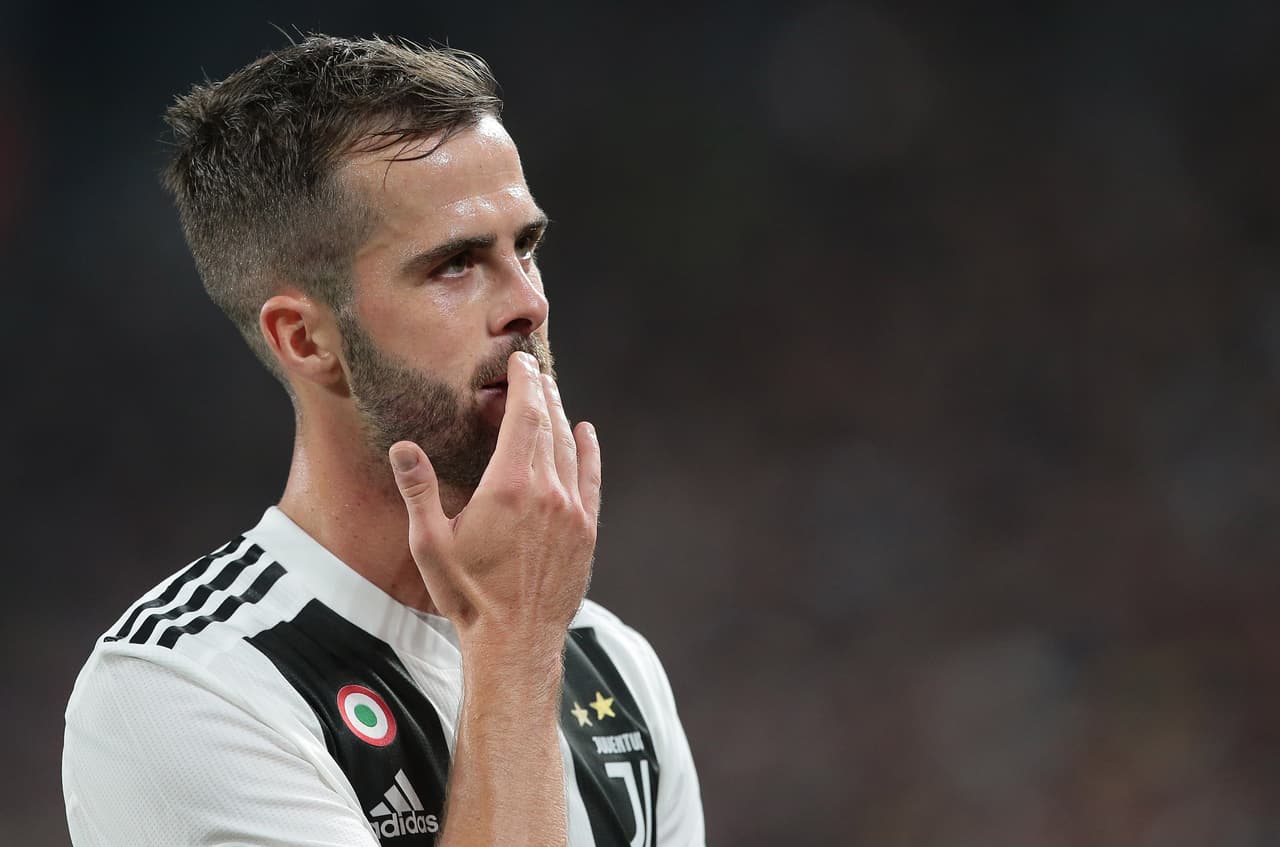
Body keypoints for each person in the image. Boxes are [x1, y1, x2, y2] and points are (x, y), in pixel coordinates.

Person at [61, 34, 704, 847]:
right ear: (305, 339)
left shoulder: (615, 669)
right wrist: (512, 646)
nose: (527, 304)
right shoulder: (184, 688)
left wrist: (526, 639)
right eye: (455, 264)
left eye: (526, 247)